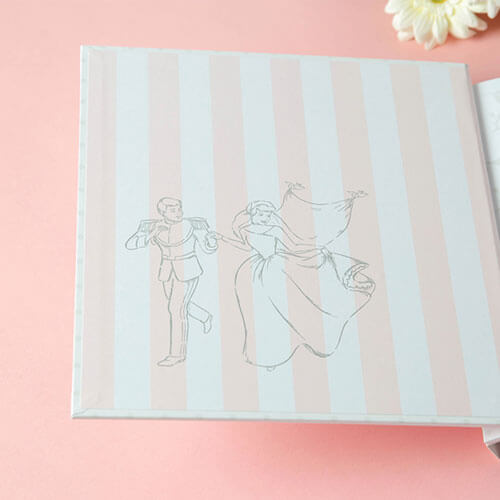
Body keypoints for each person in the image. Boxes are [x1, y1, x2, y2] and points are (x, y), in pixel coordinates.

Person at [214, 186, 375, 370]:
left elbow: (293, 244)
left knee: (292, 308)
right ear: (252, 214)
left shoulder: (275, 229)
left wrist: (310, 253)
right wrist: (223, 239)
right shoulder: (247, 229)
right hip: (257, 272)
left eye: (267, 215)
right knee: (264, 315)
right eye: (260, 214)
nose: (264, 218)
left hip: (278, 267)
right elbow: (247, 247)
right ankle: (271, 356)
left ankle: (304, 338)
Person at [126, 197, 218, 367]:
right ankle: (205, 316)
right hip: (167, 271)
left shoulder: (194, 225)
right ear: (163, 212)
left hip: (188, 270)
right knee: (177, 305)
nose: (178, 212)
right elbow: (131, 245)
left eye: (179, 208)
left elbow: (208, 248)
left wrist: (211, 241)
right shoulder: (152, 226)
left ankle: (177, 355)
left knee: (175, 309)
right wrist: (153, 233)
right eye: (173, 210)